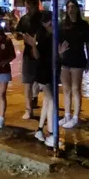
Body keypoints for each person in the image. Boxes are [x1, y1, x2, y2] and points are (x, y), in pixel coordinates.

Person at [21, 13, 57, 148]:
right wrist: (33, 45)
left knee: (48, 100)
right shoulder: (42, 37)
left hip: (50, 71)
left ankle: (40, 130)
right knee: (52, 100)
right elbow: (36, 56)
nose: (53, 25)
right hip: (43, 72)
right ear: (45, 23)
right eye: (50, 22)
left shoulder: (53, 36)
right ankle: (52, 133)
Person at [58, 0, 89, 128]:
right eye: (68, 7)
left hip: (78, 59)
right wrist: (59, 52)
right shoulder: (62, 25)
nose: (70, 9)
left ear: (77, 9)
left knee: (76, 89)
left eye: (73, 7)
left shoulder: (83, 25)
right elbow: (57, 41)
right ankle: (67, 115)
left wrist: (88, 61)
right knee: (66, 89)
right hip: (65, 60)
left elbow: (88, 44)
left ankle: (75, 117)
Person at [14, 0, 45, 120]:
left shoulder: (44, 17)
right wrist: (18, 35)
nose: (28, 10)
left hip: (43, 54)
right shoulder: (24, 19)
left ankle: (44, 105)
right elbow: (18, 33)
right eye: (26, 8)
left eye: (30, 8)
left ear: (36, 6)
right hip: (28, 54)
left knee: (44, 82)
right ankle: (29, 109)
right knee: (27, 82)